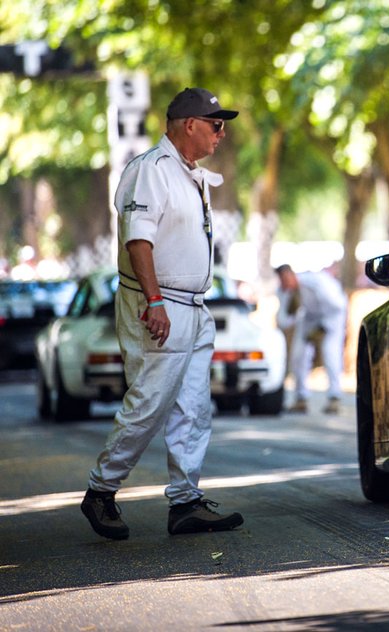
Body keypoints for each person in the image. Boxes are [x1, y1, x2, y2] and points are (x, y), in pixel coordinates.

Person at [81, 87, 243, 541]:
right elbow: (139, 241)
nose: (221, 133)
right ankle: (101, 490)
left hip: (191, 304)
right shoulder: (150, 170)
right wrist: (154, 302)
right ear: (189, 124)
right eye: (215, 124)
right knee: (150, 402)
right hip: (159, 303)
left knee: (193, 406)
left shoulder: (187, 173)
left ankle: (186, 501)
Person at [275, 264, 348, 415]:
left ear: (292, 275)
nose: (285, 282)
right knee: (298, 355)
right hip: (308, 318)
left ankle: (334, 397)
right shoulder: (285, 292)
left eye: (286, 278)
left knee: (330, 353)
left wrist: (323, 328)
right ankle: (301, 398)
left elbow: (338, 305)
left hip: (331, 317)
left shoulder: (316, 282)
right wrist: (292, 309)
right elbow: (283, 320)